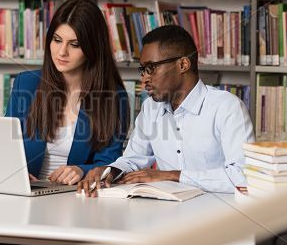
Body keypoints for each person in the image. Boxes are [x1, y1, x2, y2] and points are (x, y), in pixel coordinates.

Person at [0, 0, 129, 245]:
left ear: (92, 48)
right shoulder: (28, 84)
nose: (62, 52)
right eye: (57, 40)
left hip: (79, 206)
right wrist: (14, 171)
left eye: (74, 44)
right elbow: (3, 146)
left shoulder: (114, 96)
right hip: (26, 201)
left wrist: (82, 169)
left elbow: (112, 163)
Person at [78, 25, 255, 197]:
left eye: (151, 68)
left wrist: (172, 176)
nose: (144, 78)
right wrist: (109, 171)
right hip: (168, 212)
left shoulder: (227, 107)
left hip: (221, 217)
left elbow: (244, 176)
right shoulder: (150, 108)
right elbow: (133, 159)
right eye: (142, 70)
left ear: (183, 64)